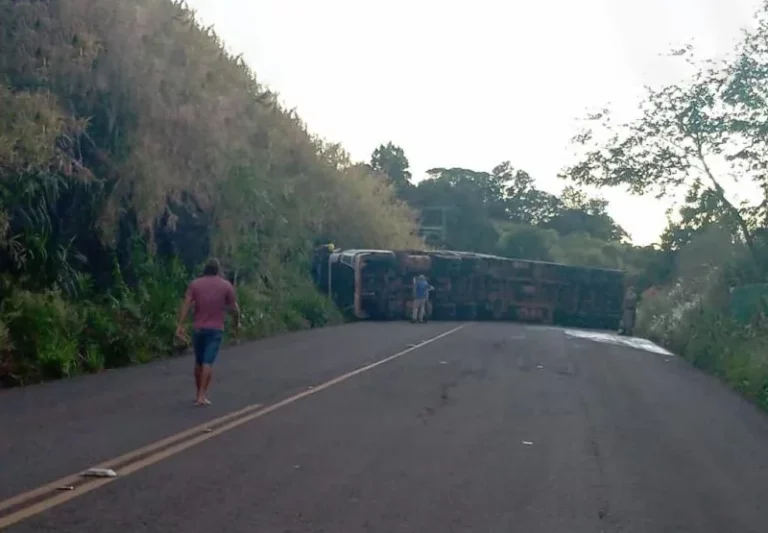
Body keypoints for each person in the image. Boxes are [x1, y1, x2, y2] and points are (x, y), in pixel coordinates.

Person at [176, 258, 240, 406]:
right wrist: (236, 325)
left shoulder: (195, 284)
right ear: (218, 270)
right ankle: (201, 396)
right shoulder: (226, 286)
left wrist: (180, 324)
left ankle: (198, 392)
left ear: (204, 269)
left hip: (198, 328)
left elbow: (187, 303)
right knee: (208, 362)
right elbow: (234, 309)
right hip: (215, 329)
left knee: (198, 361)